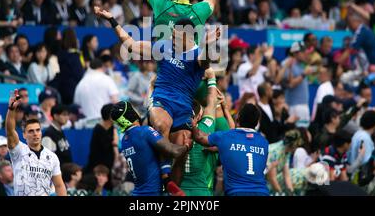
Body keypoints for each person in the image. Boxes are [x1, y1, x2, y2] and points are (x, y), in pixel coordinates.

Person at [94, 8, 217, 184]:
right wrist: (112, 19)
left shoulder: (198, 53)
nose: (172, 37)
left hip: (183, 106)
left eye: (175, 35)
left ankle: (172, 188)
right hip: (162, 98)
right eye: (172, 33)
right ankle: (164, 168)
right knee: (162, 123)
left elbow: (205, 63)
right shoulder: (163, 46)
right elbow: (131, 45)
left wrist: (209, 44)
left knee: (183, 146)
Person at [110, 101, 191, 196]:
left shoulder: (124, 140)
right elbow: (173, 151)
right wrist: (187, 146)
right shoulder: (144, 132)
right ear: (131, 113)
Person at [192, 103, 269, 196]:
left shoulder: (226, 137)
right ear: (257, 123)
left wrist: (192, 123)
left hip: (237, 192)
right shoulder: (264, 142)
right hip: (262, 192)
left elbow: (199, 137)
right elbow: (245, 151)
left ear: (238, 118)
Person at [181, 68, 233, 196]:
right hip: (202, 191)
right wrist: (212, 79)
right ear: (199, 115)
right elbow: (232, 135)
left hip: (178, 191)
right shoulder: (206, 129)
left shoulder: (173, 131)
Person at [5, 89, 67, 196]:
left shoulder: (52, 157)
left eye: (38, 130)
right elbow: (10, 131)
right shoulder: (19, 150)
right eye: (31, 131)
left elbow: (59, 185)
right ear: (24, 135)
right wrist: (11, 109)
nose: (35, 134)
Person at [279, 41, 315, 127]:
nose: (306, 54)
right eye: (303, 52)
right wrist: (304, 74)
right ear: (295, 53)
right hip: (294, 106)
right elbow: (290, 84)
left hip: (302, 105)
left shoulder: (302, 65)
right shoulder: (287, 63)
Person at [85, 104, 118, 186]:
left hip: (110, 168)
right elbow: (107, 147)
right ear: (110, 116)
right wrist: (115, 143)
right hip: (99, 169)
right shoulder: (99, 129)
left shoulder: (112, 128)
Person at [51, 28, 84, 104]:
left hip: (62, 89)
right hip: (73, 90)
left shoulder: (60, 54)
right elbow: (79, 74)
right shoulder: (75, 56)